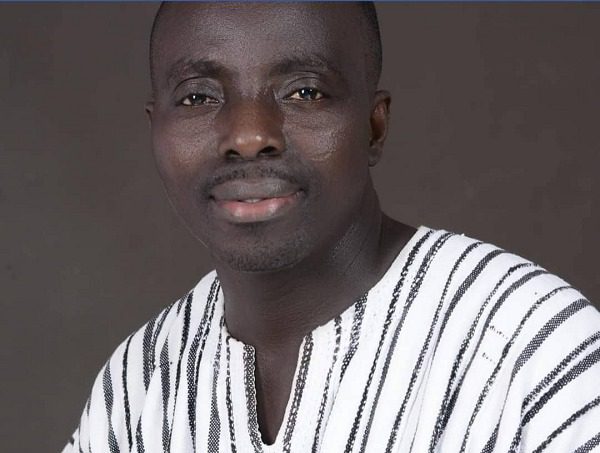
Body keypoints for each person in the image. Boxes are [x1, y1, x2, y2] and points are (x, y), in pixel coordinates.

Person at [63, 3, 600, 452]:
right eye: (198, 97)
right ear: (156, 130)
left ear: (374, 126)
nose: (248, 136)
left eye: (305, 92)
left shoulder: (531, 348)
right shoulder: (139, 382)